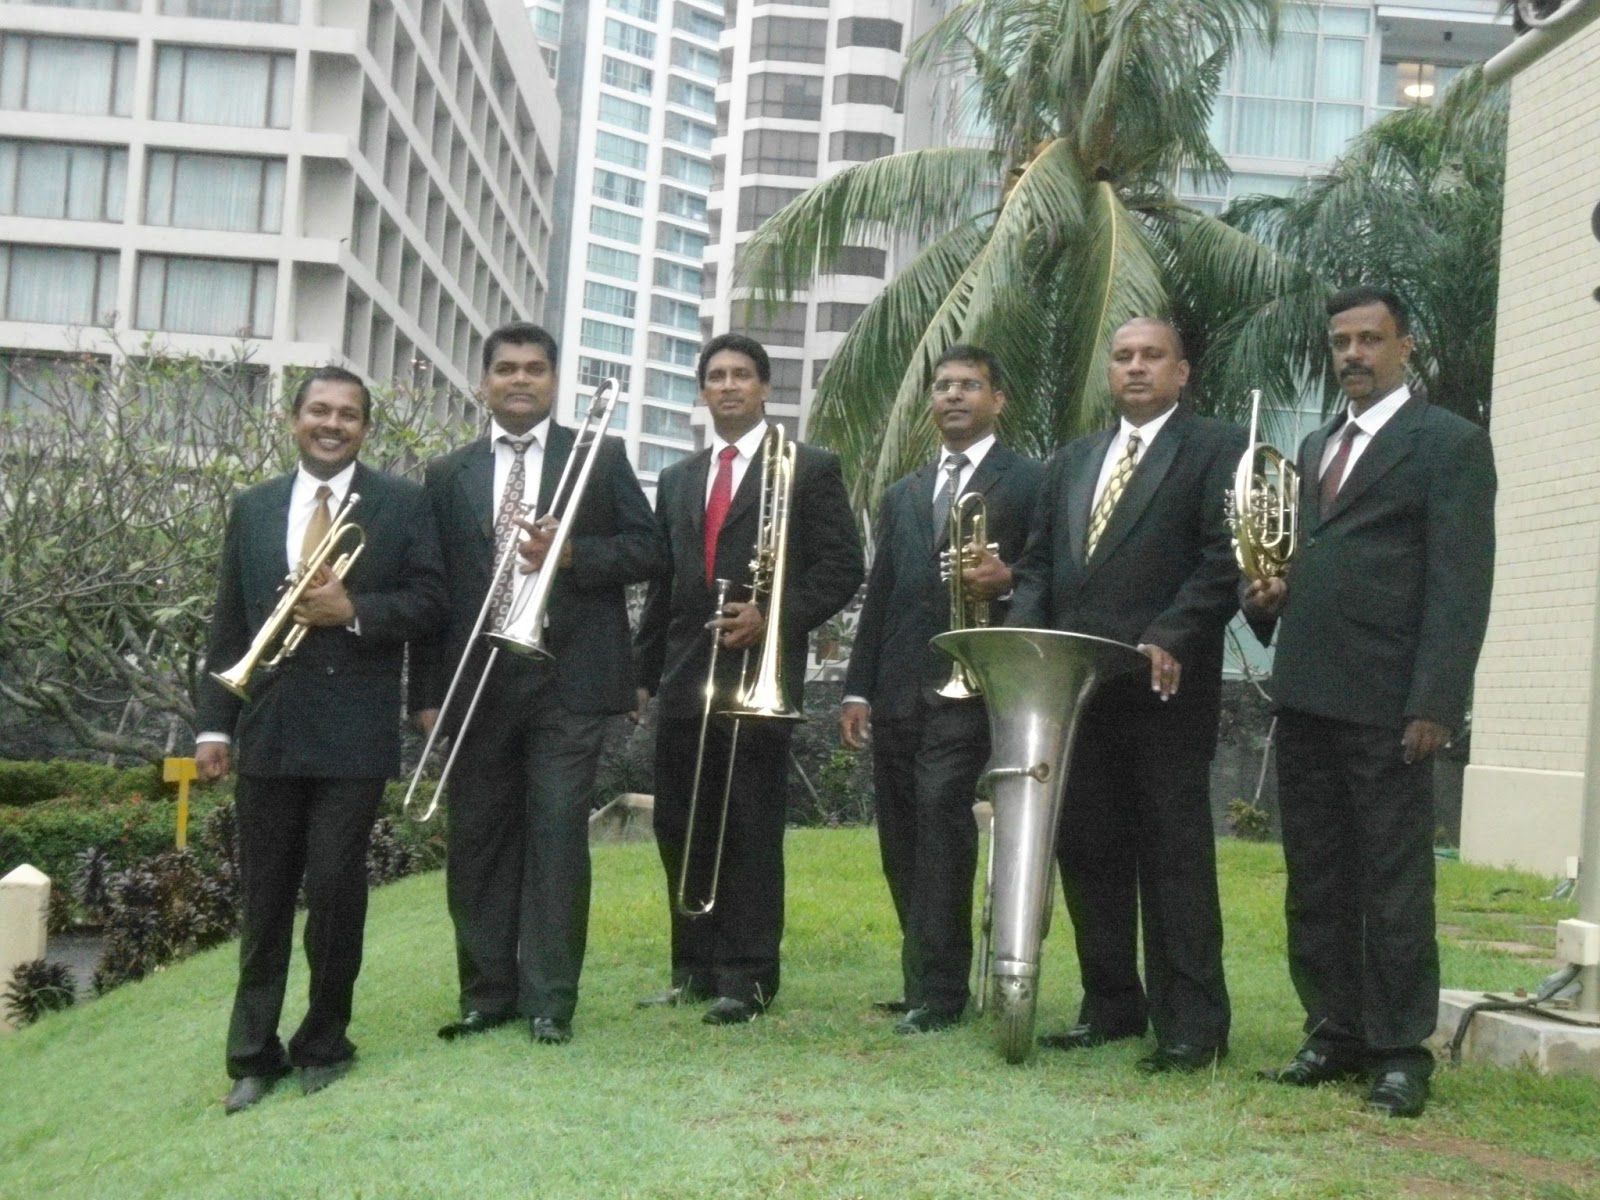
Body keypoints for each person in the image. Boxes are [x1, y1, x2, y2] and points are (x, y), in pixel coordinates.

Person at [1245, 286, 1496, 1118]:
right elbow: (1312, 558)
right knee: (1316, 877)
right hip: (1308, 695)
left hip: (1392, 705)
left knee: (1393, 884)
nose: (1353, 354)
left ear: (1405, 347)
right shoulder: (1316, 444)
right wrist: (1269, 595)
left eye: (1370, 339)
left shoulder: (1450, 444)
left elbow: (1461, 585)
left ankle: (1398, 1052)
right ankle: (1333, 1032)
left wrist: (1437, 703)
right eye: (1341, 342)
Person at [195, 366, 447, 1114]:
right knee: (265, 897)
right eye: (319, 411)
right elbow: (229, 621)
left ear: (365, 427)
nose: (332, 424)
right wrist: (214, 723)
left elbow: (433, 603)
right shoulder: (254, 505)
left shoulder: (401, 503)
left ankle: (324, 1041)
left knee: (336, 891)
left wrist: (355, 610)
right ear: (295, 418)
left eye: (348, 414)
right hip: (269, 724)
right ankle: (251, 1055)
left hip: (353, 728)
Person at [413, 322, 660, 1046]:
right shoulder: (447, 473)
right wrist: (427, 695)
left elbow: (651, 550)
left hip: (565, 678)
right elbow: (432, 591)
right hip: (479, 681)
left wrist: (574, 553)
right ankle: (486, 995)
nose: (519, 379)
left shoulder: (598, 455)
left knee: (556, 838)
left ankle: (550, 1000)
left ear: (553, 381)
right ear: (484, 383)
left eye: (534, 369)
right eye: (506, 368)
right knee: (478, 841)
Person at [1008, 317, 1244, 1074]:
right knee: (1088, 849)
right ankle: (1110, 1005)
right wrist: (1024, 648)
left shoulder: (1217, 449)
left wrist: (1170, 634)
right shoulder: (1072, 460)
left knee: (1174, 857)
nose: (1136, 368)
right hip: (1075, 692)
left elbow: (1225, 559)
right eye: (1123, 357)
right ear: (1109, 371)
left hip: (1164, 686)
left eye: (1152, 356)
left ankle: (1192, 1026)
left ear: (1182, 372)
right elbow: (1038, 566)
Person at [635, 332, 863, 1024]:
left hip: (758, 675)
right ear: (702, 392)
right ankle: (693, 967)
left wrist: (773, 616)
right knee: (680, 824)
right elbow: (665, 584)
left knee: (748, 827)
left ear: (765, 387)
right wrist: (641, 675)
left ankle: (748, 976)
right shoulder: (678, 478)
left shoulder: (810, 467)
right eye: (717, 376)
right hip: (685, 676)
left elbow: (842, 566)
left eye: (742, 375)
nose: (729, 385)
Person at [838, 344, 1043, 1034]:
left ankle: (944, 991)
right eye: (943, 385)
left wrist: (1007, 581)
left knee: (940, 818)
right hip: (899, 686)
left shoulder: (1029, 481)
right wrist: (856, 690)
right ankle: (921, 978)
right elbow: (881, 596)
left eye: (969, 385)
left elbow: (1048, 571)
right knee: (900, 833)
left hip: (975, 684)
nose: (953, 396)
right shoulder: (903, 493)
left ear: (998, 400)